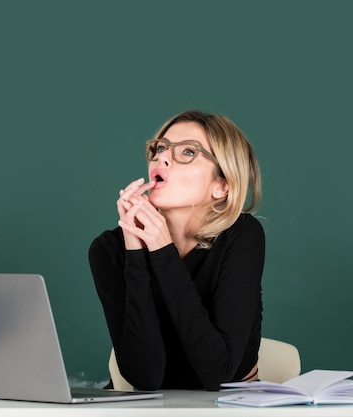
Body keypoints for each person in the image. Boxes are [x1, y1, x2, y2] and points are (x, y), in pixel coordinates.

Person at [89, 110, 264, 391]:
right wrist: (135, 250)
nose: (162, 157)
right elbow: (146, 377)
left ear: (222, 185)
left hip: (230, 404)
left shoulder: (242, 235)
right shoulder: (109, 249)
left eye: (188, 152)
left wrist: (162, 251)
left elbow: (218, 372)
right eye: (160, 148)